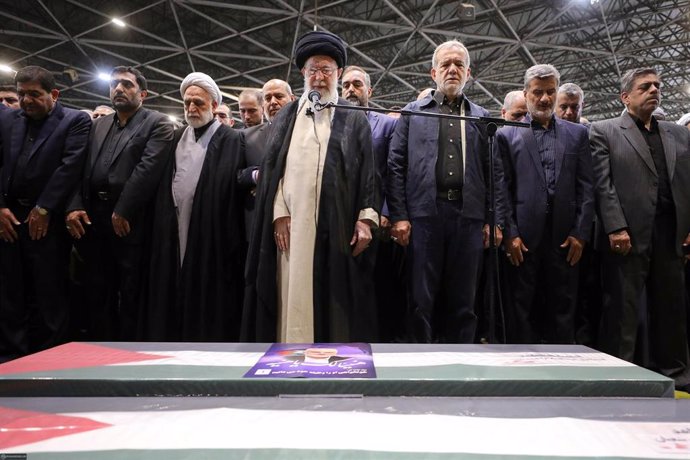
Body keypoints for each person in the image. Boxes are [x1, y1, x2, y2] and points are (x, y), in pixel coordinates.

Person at [242, 30, 379, 343]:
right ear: (303, 72)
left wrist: (366, 219)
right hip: (293, 226)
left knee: (336, 300)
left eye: (327, 70)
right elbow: (273, 170)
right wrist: (278, 213)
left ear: (338, 73)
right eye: (314, 70)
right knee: (293, 290)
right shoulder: (287, 115)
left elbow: (368, 171)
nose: (320, 77)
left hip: (339, 223)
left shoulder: (353, 116)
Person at [387, 40, 504, 344]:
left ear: (469, 73)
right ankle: (420, 366)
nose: (452, 69)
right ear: (433, 72)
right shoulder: (412, 113)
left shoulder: (482, 117)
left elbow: (495, 173)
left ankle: (461, 366)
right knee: (420, 299)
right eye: (446, 64)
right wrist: (399, 215)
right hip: (424, 217)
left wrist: (495, 221)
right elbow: (396, 165)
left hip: (469, 219)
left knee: (465, 301)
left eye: (459, 64)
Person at [589, 67, 690, 392]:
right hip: (628, 236)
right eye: (645, 87)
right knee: (623, 311)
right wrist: (616, 226)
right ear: (625, 96)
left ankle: (677, 378)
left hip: (670, 233)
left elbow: (687, 184)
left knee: (671, 311)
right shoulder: (604, 130)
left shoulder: (677, 133)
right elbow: (603, 185)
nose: (654, 91)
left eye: (657, 86)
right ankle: (620, 379)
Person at [65, 65, 174, 341]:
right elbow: (79, 170)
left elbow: (147, 170)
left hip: (131, 220)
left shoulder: (157, 123)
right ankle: (102, 346)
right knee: (97, 289)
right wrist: (75, 205)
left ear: (143, 93)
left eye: (127, 84)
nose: (119, 89)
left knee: (130, 290)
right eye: (114, 84)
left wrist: (123, 209)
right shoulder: (99, 124)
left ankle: (130, 349)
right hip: (93, 219)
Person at [143, 72, 246, 341]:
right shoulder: (176, 137)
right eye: (187, 102)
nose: (191, 108)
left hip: (212, 232)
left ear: (214, 105)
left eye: (199, 103)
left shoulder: (231, 139)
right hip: (174, 225)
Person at [497, 64, 594, 344]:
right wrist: (511, 234)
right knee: (521, 308)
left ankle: (563, 370)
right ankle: (521, 371)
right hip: (523, 240)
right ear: (526, 94)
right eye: (538, 92)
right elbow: (502, 189)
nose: (544, 99)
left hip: (566, 240)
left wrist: (580, 233)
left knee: (563, 309)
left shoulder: (577, 135)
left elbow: (587, 187)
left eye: (550, 92)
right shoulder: (507, 134)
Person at [0, 66, 91, 361]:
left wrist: (45, 207)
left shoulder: (74, 120)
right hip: (9, 220)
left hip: (47, 222)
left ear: (53, 94)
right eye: (22, 94)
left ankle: (49, 360)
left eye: (34, 94)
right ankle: (12, 361)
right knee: (10, 296)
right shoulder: (7, 119)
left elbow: (70, 166)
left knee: (49, 296)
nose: (26, 101)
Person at [341, 64, 403, 342]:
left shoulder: (388, 124)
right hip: (341, 217)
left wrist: (388, 211)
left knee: (378, 287)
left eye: (356, 84)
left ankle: (379, 345)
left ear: (369, 90)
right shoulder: (333, 125)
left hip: (379, 220)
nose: (351, 90)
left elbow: (396, 170)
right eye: (346, 85)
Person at [238, 79, 295, 239]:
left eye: (278, 96)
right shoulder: (246, 137)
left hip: (296, 220)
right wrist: (257, 176)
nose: (273, 102)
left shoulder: (308, 134)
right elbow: (235, 175)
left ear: (292, 99)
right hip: (259, 222)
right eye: (268, 98)